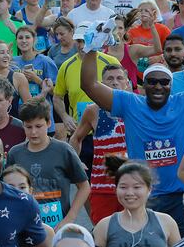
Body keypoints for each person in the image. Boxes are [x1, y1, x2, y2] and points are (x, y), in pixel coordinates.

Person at [80, 25, 184, 235]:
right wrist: (92, 49)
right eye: (152, 81)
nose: (158, 86)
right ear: (144, 86)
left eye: (164, 82)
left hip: (183, 196)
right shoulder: (129, 103)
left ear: (171, 85)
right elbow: (89, 85)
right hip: (145, 197)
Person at [7, 98, 89, 230]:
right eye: (28, 127)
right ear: (23, 125)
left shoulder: (63, 150)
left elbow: (84, 186)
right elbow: (7, 189)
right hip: (25, 225)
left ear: (49, 123)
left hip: (58, 225)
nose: (33, 132)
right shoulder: (15, 153)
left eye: (38, 126)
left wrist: (70, 217)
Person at [53, 22, 120, 173]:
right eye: (79, 41)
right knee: (84, 183)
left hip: (108, 132)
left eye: (86, 40)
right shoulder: (66, 66)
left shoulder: (111, 62)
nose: (82, 45)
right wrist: (65, 117)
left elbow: (124, 90)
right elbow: (57, 97)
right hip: (81, 134)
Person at [69, 64, 128, 224]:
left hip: (132, 186)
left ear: (127, 82)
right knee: (103, 235)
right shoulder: (93, 111)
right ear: (102, 84)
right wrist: (76, 161)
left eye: (119, 78)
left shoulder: (137, 105)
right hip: (103, 187)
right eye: (110, 78)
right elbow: (76, 138)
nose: (115, 82)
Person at [93, 159, 181, 247]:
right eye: (123, 187)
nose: (130, 193)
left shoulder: (166, 222)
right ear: (116, 189)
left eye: (137, 187)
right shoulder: (105, 226)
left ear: (149, 189)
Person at [13, 27, 58, 133]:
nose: (24, 41)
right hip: (20, 117)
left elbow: (56, 93)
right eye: (20, 38)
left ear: (34, 40)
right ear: (16, 41)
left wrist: (36, 79)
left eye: (27, 37)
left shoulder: (45, 61)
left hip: (42, 115)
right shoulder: (13, 62)